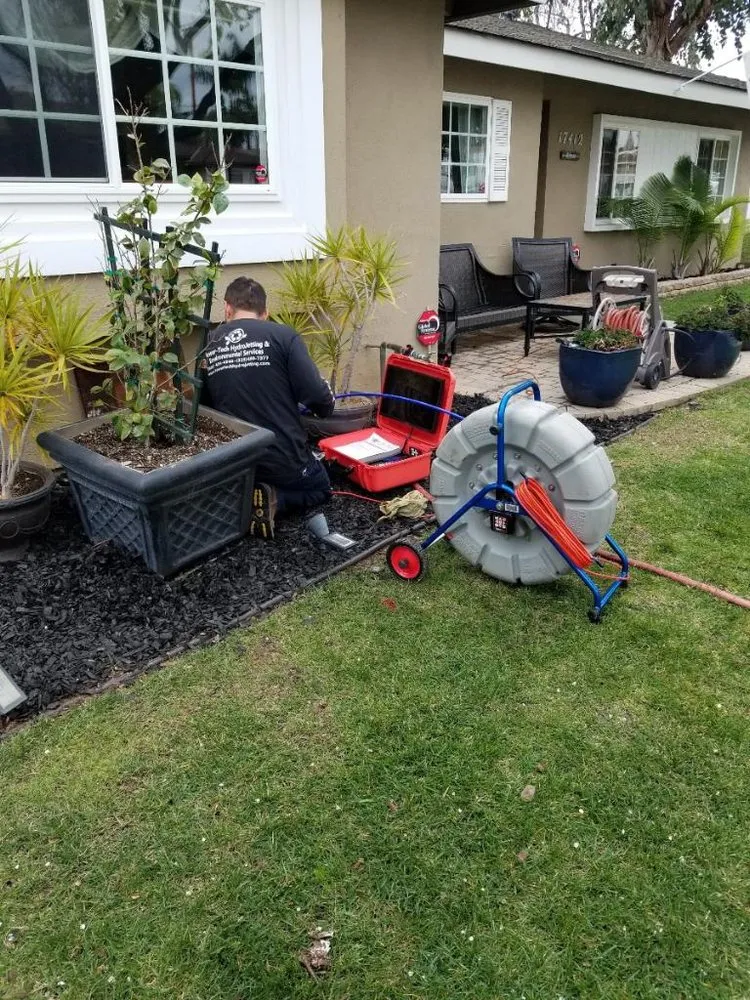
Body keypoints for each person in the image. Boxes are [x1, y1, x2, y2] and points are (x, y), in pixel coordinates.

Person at [203, 276, 335, 539]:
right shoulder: (283, 336)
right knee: (321, 487)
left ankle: (243, 498)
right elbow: (317, 397)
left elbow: (206, 407)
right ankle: (276, 497)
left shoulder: (209, 345)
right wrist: (327, 406)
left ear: (227, 308)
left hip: (234, 464)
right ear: (265, 313)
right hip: (284, 461)